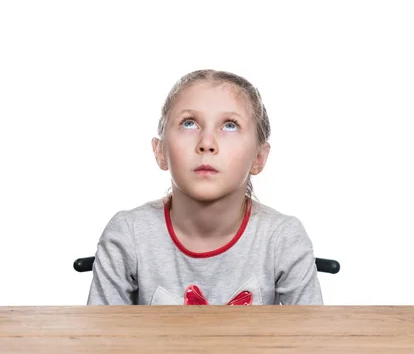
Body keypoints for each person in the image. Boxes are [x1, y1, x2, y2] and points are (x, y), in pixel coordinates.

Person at [87, 69, 323, 305]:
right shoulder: (128, 234)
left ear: (258, 157)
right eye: (189, 123)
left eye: (230, 125)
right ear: (160, 152)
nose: (207, 143)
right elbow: (100, 339)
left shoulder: (282, 238)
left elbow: (312, 339)